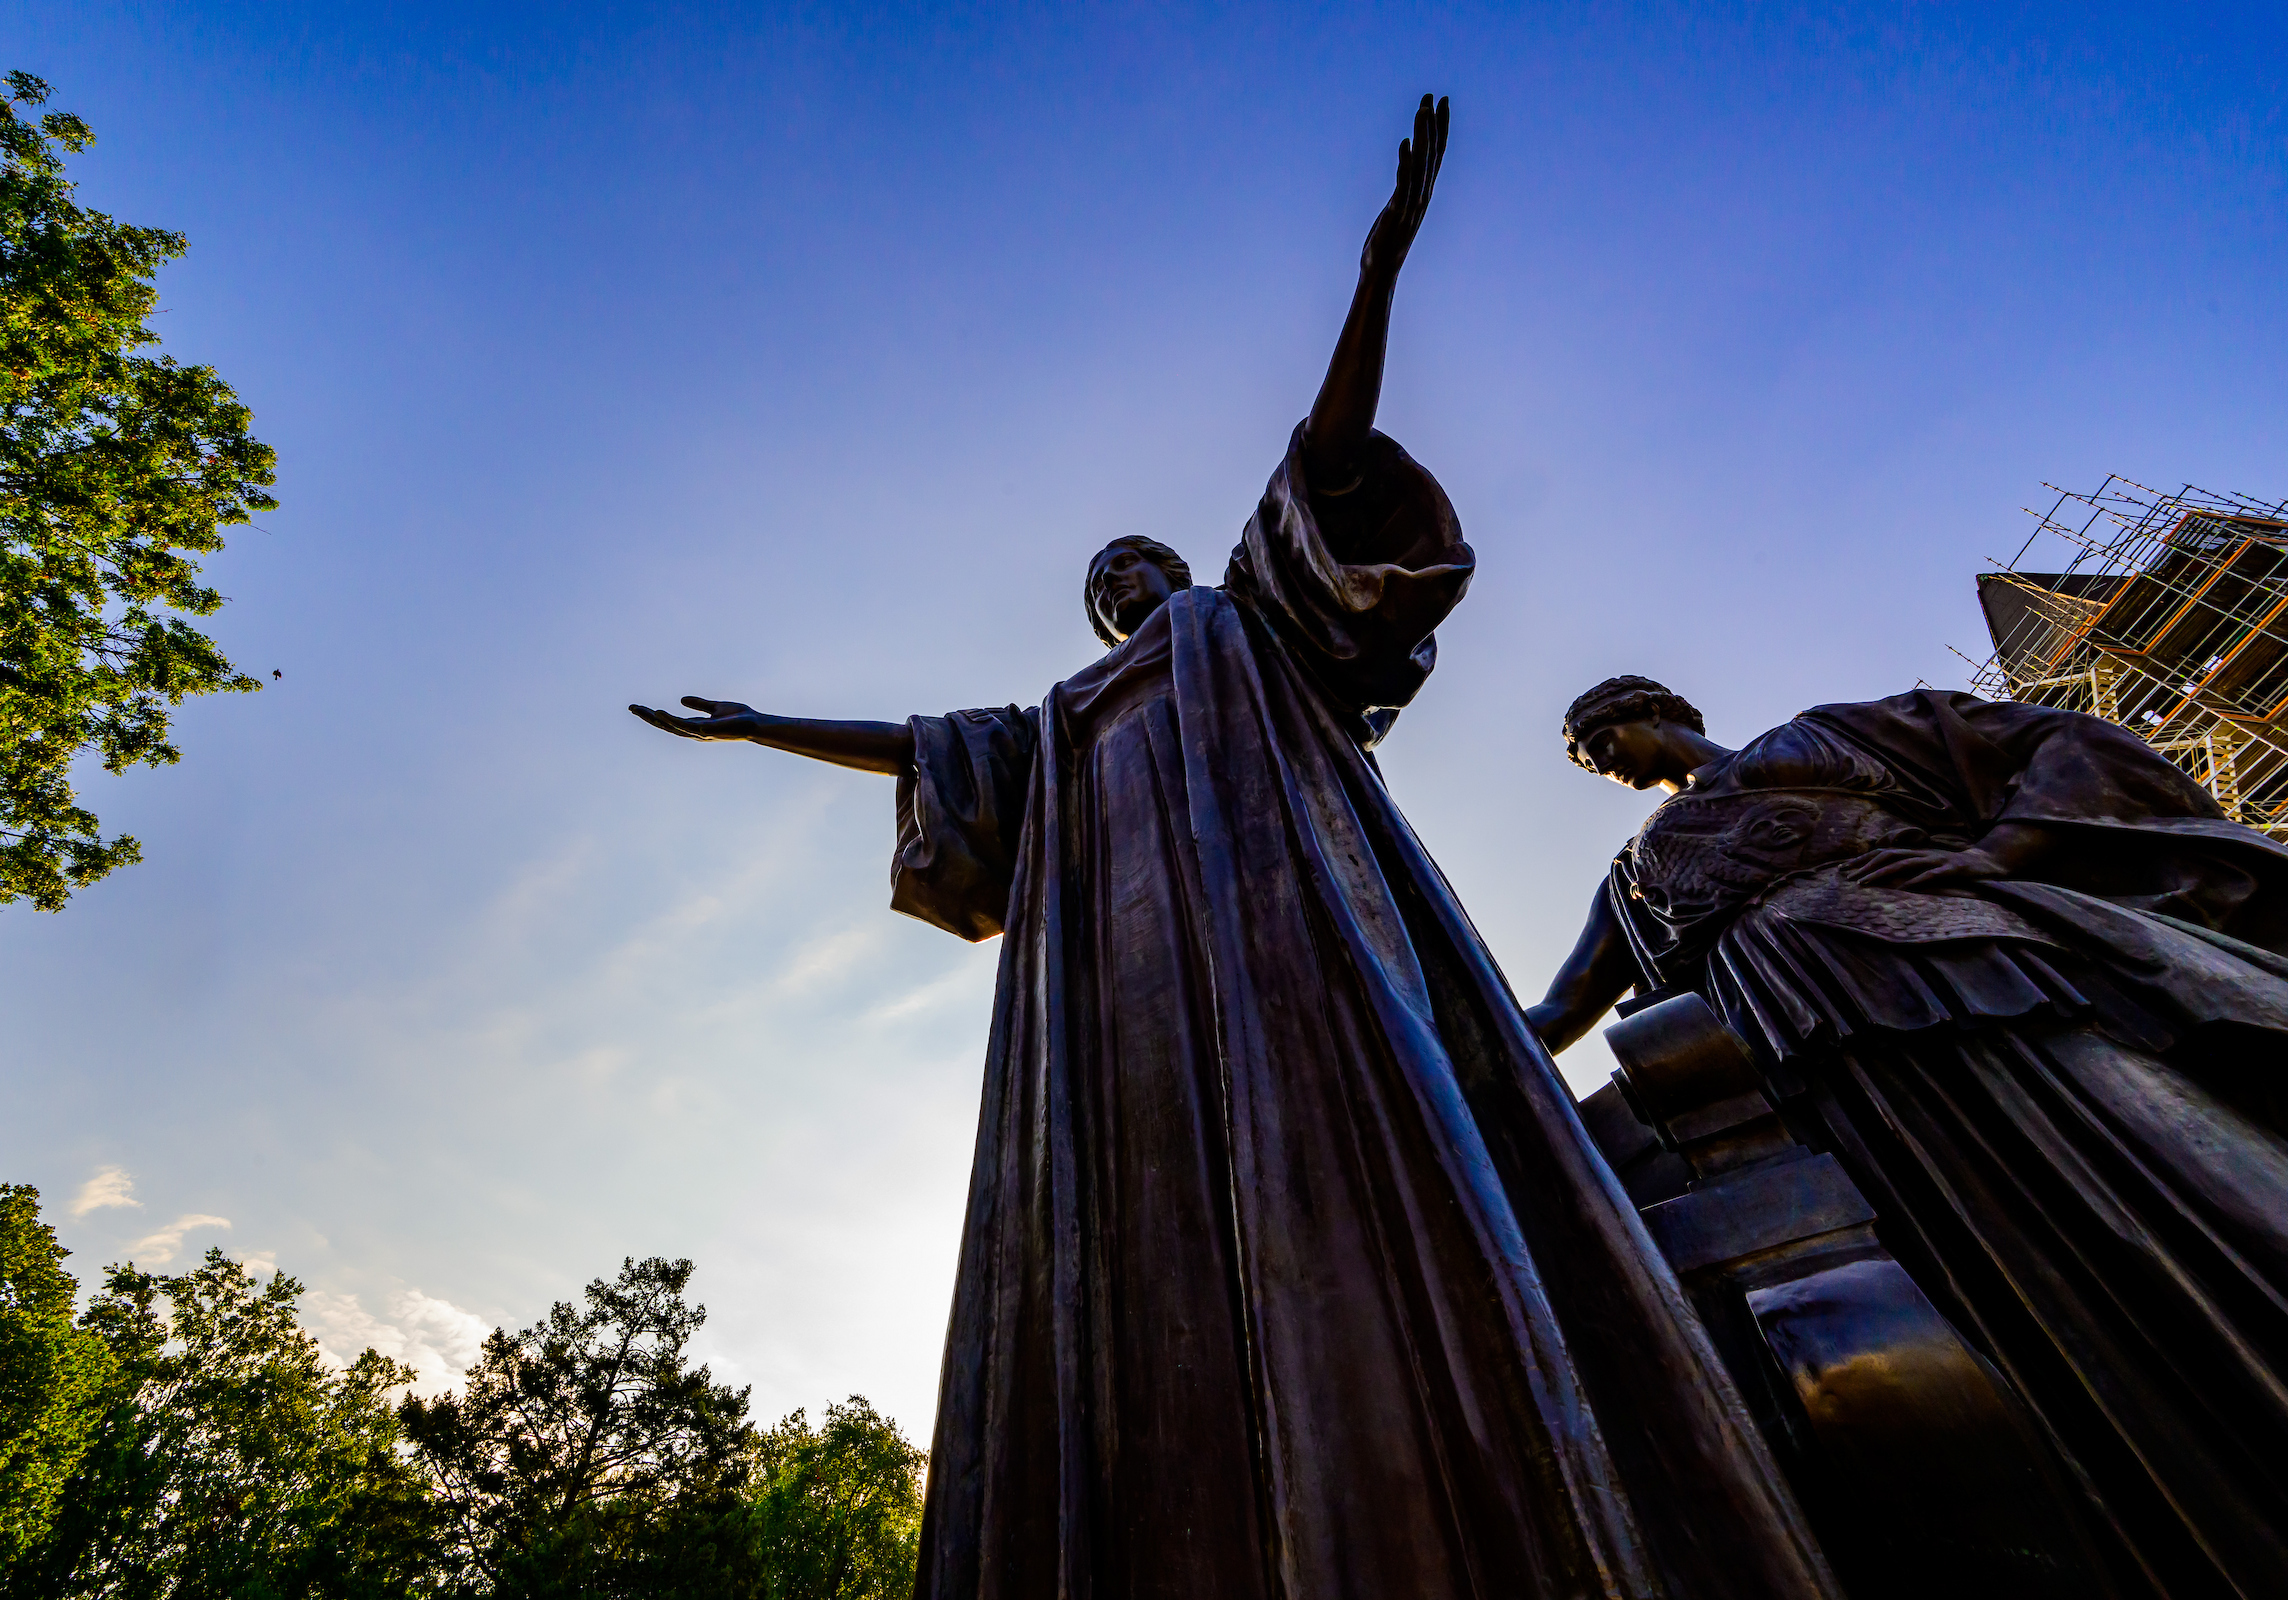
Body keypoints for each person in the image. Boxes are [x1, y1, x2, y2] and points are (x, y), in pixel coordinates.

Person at [634, 107, 1837, 1600]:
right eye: (1099, 583)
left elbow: (1324, 456)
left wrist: (1378, 271)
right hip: (1120, 996)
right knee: (1135, 1234)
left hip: (1295, 937)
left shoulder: (1245, 622)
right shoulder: (1067, 720)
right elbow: (922, 743)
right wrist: (762, 728)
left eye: (1135, 559)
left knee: (1367, 1163)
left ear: (1182, 568)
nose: (1120, 579)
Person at [1529, 674, 2288, 1600]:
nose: (1595, 764)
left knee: (2154, 1164)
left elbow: (2063, 742)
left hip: (1961, 965)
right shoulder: (1634, 872)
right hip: (1810, 1073)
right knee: (1966, 1297)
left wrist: (2004, 849)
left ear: (1653, 712)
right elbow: (1562, 1008)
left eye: (1597, 739)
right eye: (1581, 758)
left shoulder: (1818, 740)